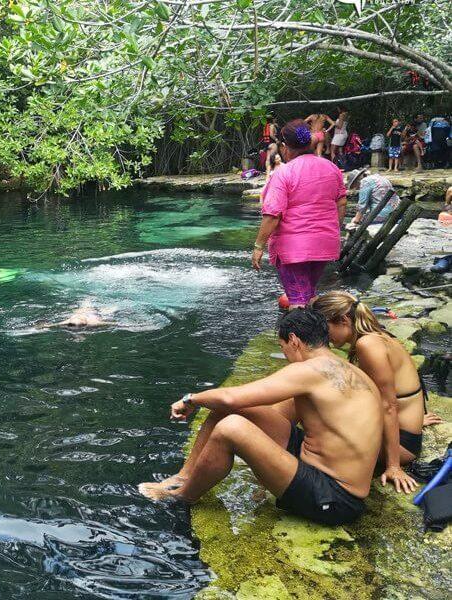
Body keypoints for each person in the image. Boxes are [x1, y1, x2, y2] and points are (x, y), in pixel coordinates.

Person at [138, 309, 382, 526]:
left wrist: (190, 399)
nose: (285, 355)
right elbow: (263, 412)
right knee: (230, 412)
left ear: (294, 340)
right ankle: (184, 476)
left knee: (231, 428)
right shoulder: (346, 368)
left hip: (334, 497)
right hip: (319, 466)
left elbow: (231, 397)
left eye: (283, 347)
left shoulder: (310, 370)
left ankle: (182, 497)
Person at [310, 292, 439, 493]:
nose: (324, 336)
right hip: (405, 432)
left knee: (319, 434)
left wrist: (394, 466)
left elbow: (389, 405)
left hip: (402, 445)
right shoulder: (374, 336)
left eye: (325, 329)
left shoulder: (367, 344)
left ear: (344, 320)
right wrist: (415, 419)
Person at [253, 120, 346, 308]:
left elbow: (273, 214)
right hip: (325, 243)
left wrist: (258, 245)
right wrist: (332, 229)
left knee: (297, 300)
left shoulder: (284, 173)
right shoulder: (331, 168)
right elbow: (341, 202)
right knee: (309, 293)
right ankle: (319, 332)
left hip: (294, 248)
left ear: (285, 147)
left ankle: (303, 336)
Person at [39, 305, 115, 329]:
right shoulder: (94, 323)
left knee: (85, 307)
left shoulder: (93, 322)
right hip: (90, 314)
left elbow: (52, 325)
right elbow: (112, 324)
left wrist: (44, 326)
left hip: (88, 313)